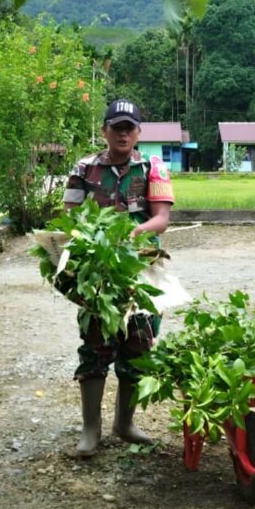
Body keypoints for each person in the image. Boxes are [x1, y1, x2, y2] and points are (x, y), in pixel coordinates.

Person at [61, 98, 174, 458]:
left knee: (140, 340)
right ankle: (90, 430)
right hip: (98, 267)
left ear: (139, 132)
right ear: (105, 130)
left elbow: (161, 219)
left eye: (130, 128)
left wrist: (132, 234)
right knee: (96, 339)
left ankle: (124, 423)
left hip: (142, 266)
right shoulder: (84, 168)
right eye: (116, 127)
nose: (123, 133)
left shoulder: (153, 168)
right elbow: (71, 216)